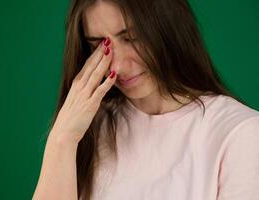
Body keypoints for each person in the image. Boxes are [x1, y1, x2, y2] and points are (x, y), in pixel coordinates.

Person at [32, 0, 259, 199]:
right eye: (99, 45)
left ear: (169, 28)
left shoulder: (241, 132)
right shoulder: (89, 126)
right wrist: (62, 141)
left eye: (132, 38)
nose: (118, 66)